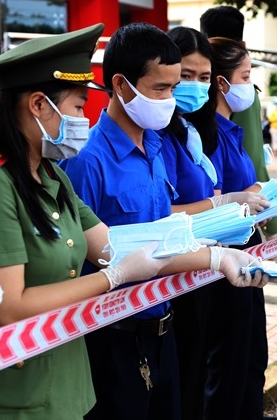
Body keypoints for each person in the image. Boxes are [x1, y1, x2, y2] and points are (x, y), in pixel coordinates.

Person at [0, 23, 265, 420]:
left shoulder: (51, 176)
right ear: (38, 104)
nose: (83, 118)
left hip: (66, 379)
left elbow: (114, 245)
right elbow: (8, 308)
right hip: (10, 394)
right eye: (78, 107)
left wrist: (218, 259)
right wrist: (111, 278)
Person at [59, 23, 266, 420]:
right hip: (113, 336)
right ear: (121, 85)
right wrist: (215, 257)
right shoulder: (88, 161)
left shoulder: (155, 145)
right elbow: (87, 254)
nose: (170, 99)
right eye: (161, 88)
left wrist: (217, 254)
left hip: (164, 326)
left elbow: (165, 231)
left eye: (175, 87)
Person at [158, 26, 270, 420]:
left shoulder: (195, 132)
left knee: (234, 365)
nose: (193, 86)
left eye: (202, 78)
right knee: (197, 377)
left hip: (213, 261)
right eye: (185, 76)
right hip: (179, 273)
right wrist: (226, 201)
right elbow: (160, 214)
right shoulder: (160, 136)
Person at [199, 36, 270, 420]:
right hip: (224, 264)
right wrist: (241, 198)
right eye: (245, 76)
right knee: (228, 368)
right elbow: (215, 200)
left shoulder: (231, 130)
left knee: (251, 363)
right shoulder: (208, 135)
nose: (251, 87)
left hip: (246, 256)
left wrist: (260, 193)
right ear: (222, 84)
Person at [200, 5, 277, 238]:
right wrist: (269, 218)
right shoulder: (213, 131)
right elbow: (253, 157)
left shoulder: (228, 126)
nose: (248, 83)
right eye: (246, 77)